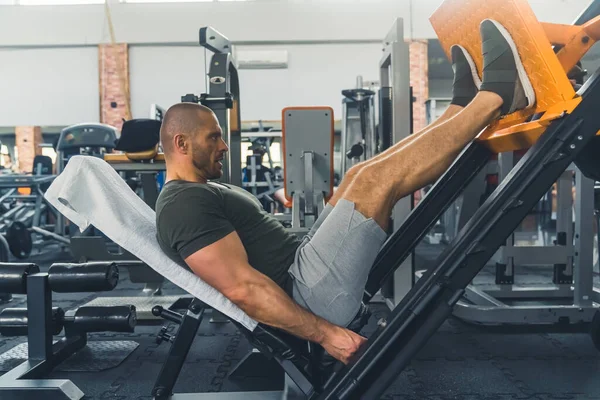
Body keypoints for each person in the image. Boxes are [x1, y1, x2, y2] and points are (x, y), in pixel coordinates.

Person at [155, 20, 535, 364]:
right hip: (307, 294)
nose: (223, 146)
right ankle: (498, 97)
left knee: (359, 173)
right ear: (182, 144)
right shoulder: (183, 206)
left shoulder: (195, 191)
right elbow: (243, 289)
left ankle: (460, 109)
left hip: (304, 267)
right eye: (213, 138)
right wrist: (328, 335)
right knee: (373, 181)